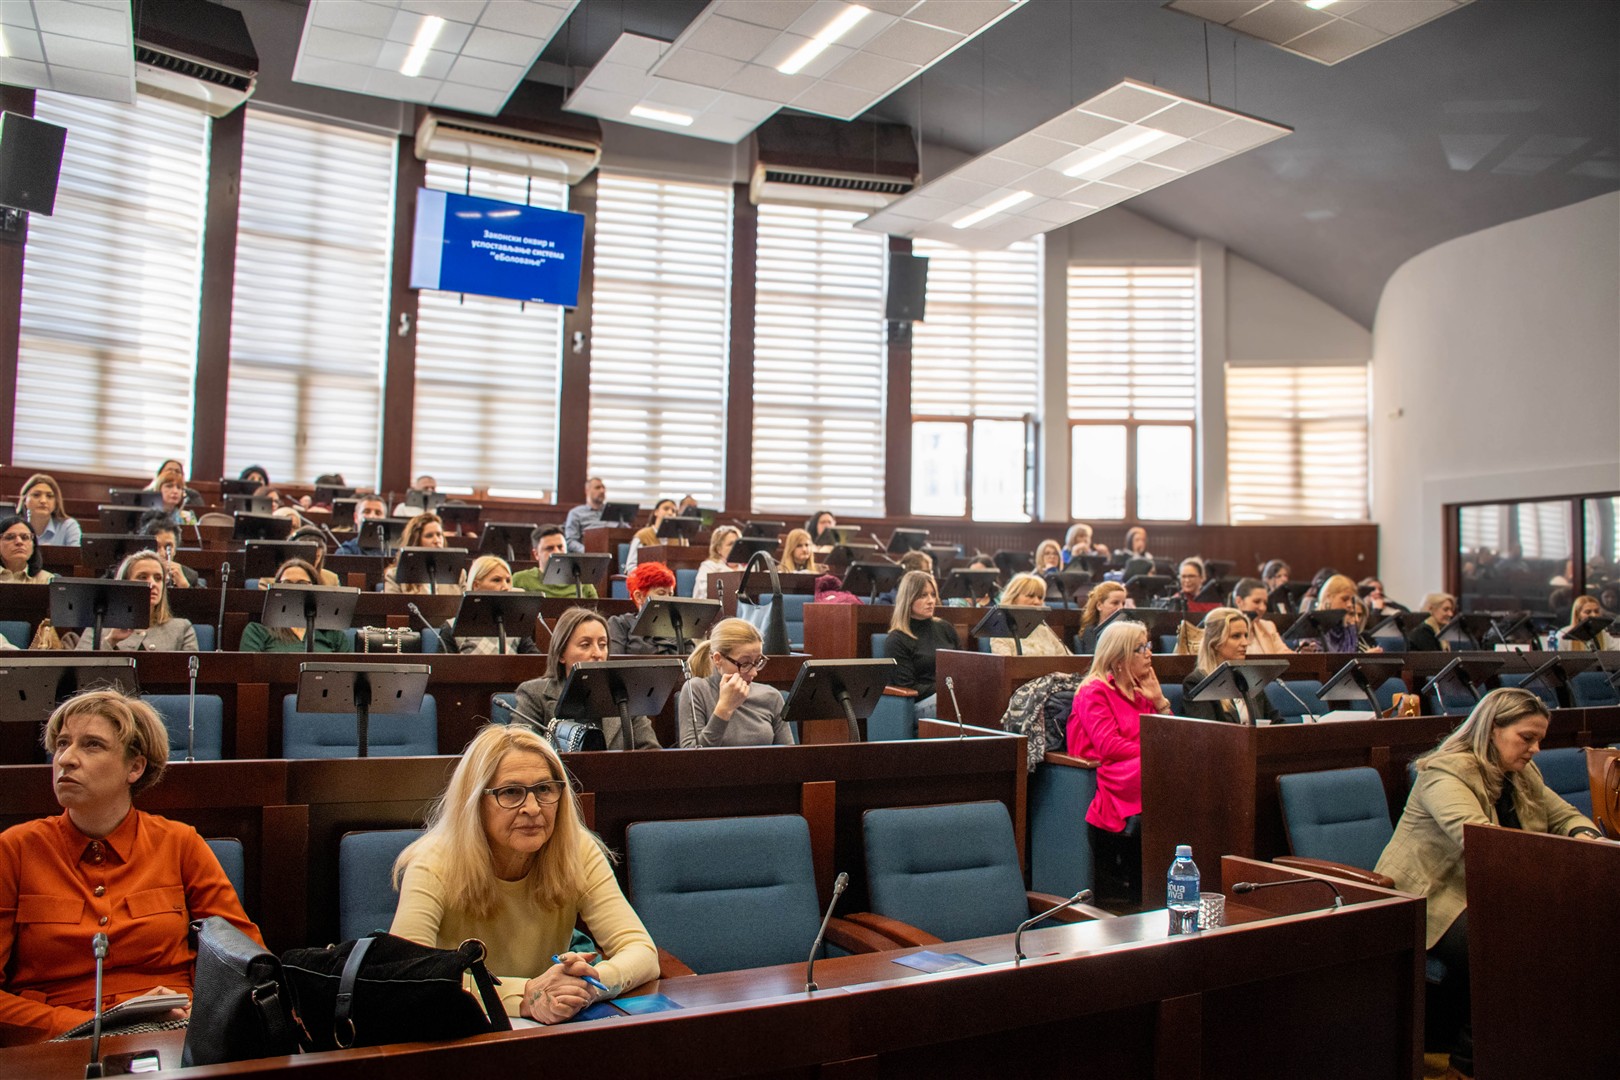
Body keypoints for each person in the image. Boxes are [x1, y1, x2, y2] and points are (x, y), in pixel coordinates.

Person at [0, 689, 263, 1045]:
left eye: (92, 745)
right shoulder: (14, 849)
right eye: (62, 744)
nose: (66, 759)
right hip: (55, 1041)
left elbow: (241, 959)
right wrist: (99, 1023)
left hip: (170, 1036)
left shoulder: (179, 843)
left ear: (135, 767)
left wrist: (204, 1018)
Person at [1374, 688, 1602, 1079]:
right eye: (1526, 738)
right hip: (1431, 898)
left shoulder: (1522, 772)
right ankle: (1467, 1067)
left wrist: (1588, 841)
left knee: (1571, 933)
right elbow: (1482, 842)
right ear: (1492, 729)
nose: (1535, 750)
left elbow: (1566, 815)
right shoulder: (1444, 772)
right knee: (1515, 947)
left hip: (1493, 892)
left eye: (1539, 740)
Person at [389, 723, 658, 1022]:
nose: (532, 807)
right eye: (511, 792)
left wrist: (591, 984)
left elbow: (642, 951)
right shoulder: (432, 862)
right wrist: (524, 995)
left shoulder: (576, 849)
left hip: (553, 1028)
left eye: (544, 789)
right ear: (475, 801)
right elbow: (408, 977)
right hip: (460, 1031)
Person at [1066, 620, 1169, 908]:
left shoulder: (1141, 691)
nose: (1149, 653)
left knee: (1174, 765)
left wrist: (1159, 701)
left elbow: (1169, 737)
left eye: (1149, 645)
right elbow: (1108, 746)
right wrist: (1157, 751)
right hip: (1107, 770)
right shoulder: (1094, 691)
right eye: (1141, 648)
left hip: (1135, 764)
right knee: (1161, 768)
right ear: (1120, 656)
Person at [513, 608, 659, 750]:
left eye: (603, 645)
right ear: (561, 653)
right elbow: (521, 753)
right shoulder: (533, 694)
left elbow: (650, 753)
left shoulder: (625, 694)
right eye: (585, 645)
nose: (597, 653)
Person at [677, 617, 793, 748]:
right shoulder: (696, 690)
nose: (754, 672)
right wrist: (724, 709)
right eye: (745, 663)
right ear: (718, 659)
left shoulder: (771, 696)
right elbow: (690, 759)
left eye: (758, 662)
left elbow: (789, 758)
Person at [74, 551, 198, 652]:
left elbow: (192, 678)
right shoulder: (98, 628)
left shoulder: (182, 629)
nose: (153, 584)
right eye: (143, 577)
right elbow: (79, 674)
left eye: (158, 578)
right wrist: (110, 641)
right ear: (124, 584)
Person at [1179, 608, 1279, 725]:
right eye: (1236, 636)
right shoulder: (1198, 682)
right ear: (1215, 642)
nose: (1245, 643)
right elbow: (1207, 735)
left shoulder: (1249, 677)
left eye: (1245, 635)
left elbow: (1276, 722)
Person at [884, 570, 960, 718]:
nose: (931, 600)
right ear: (909, 599)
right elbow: (908, 687)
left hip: (951, 693)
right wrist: (946, 689)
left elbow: (963, 666)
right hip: (919, 703)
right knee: (956, 700)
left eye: (932, 594)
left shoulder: (945, 628)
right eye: (923, 595)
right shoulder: (897, 639)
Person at [238, 559, 349, 652]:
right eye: (287, 583)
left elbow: (347, 676)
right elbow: (248, 674)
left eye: (302, 583)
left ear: (316, 588)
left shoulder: (335, 635)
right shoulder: (257, 631)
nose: (294, 588)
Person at [439, 556, 538, 655]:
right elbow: (444, 668)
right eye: (496, 580)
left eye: (508, 581)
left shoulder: (516, 627)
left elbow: (536, 663)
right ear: (476, 585)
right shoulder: (452, 627)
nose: (506, 587)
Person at [607, 562, 680, 655]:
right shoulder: (620, 624)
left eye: (670, 594)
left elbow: (694, 663)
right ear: (639, 596)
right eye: (661, 593)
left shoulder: (679, 625)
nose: (668, 599)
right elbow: (615, 663)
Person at [383, 512, 465, 595]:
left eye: (439, 535)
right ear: (416, 540)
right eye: (429, 536)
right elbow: (392, 607)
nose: (437, 540)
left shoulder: (458, 574)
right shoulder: (394, 576)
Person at [991, 574, 1068, 657]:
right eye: (1030, 596)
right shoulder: (1000, 633)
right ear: (1014, 598)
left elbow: (1068, 661)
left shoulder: (1044, 630)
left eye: (1040, 597)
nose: (1037, 602)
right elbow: (1006, 667)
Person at [513, 526, 598, 598]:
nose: (557, 552)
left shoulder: (581, 580)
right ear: (536, 554)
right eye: (549, 548)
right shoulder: (520, 579)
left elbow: (596, 613)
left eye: (560, 547)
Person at [1302, 574, 1378, 653]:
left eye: (1351, 600)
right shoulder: (1311, 626)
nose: (1350, 604)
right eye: (1345, 599)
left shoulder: (1349, 628)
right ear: (1328, 597)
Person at [1230, 577, 1295, 654]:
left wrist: (1302, 655)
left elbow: (1287, 656)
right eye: (1257, 602)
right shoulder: (1226, 628)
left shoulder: (1268, 626)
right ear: (1239, 601)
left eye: (1265, 603)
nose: (1263, 608)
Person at [16, 473, 81, 546]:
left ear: (56, 502)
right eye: (36, 495)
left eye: (49, 496)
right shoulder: (13, 526)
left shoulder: (68, 526)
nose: (43, 501)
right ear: (24, 500)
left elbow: (76, 556)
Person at [138, 514, 198, 589]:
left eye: (168, 547)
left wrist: (185, 586)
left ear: (175, 550)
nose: (162, 554)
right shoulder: (136, 573)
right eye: (156, 546)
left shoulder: (189, 576)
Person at [625, 499, 683, 572]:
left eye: (674, 511)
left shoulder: (680, 538)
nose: (670, 513)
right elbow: (630, 566)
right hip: (647, 579)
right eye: (666, 509)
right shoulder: (642, 535)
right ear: (656, 512)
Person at [1076, 581, 1129, 653]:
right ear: (1099, 605)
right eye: (1115, 603)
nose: (1121, 608)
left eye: (1123, 603)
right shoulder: (1090, 631)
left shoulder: (1129, 630)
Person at [0, 515, 54, 585]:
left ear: (33, 545)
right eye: (10, 537)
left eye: (25, 537)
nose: (19, 542)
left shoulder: (47, 580)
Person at [692, 524, 740, 601]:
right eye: (730, 544)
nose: (736, 547)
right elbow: (701, 597)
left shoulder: (750, 566)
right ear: (719, 549)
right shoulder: (708, 567)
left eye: (738, 543)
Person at [563, 477, 607, 553]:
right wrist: (587, 551)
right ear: (587, 491)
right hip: (587, 556)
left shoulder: (614, 512)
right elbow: (570, 541)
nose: (602, 491)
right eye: (597, 488)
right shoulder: (576, 513)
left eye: (603, 488)